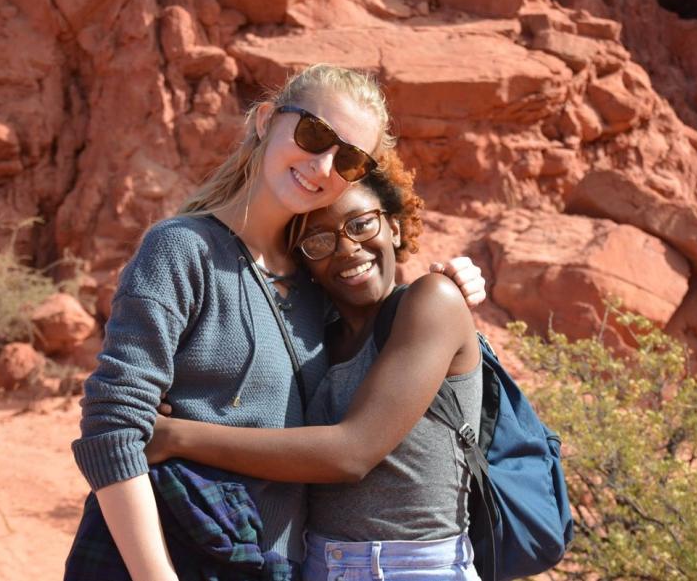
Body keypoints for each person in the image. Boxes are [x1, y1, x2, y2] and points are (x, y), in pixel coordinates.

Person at [68, 64, 486, 580]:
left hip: (276, 564)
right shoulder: (182, 249)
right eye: (314, 135)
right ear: (267, 120)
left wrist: (454, 278)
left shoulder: (317, 286)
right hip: (171, 551)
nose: (323, 166)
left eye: (350, 160)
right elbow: (114, 426)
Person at [146, 152, 483, 580]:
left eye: (362, 224)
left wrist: (175, 436)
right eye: (319, 241)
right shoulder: (319, 335)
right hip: (319, 565)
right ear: (304, 261)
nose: (347, 249)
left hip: (413, 569)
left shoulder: (432, 301)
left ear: (394, 226)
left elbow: (351, 453)